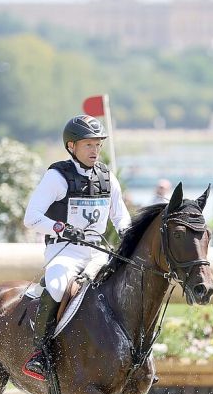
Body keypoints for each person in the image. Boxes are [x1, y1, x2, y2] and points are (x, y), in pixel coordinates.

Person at [21, 114, 132, 380]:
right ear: (72, 146)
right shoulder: (56, 177)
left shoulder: (107, 177)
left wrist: (129, 238)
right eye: (88, 145)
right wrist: (60, 227)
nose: (95, 151)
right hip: (65, 251)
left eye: (97, 145)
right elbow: (31, 217)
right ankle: (41, 354)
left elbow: (121, 217)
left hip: (98, 252)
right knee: (58, 285)